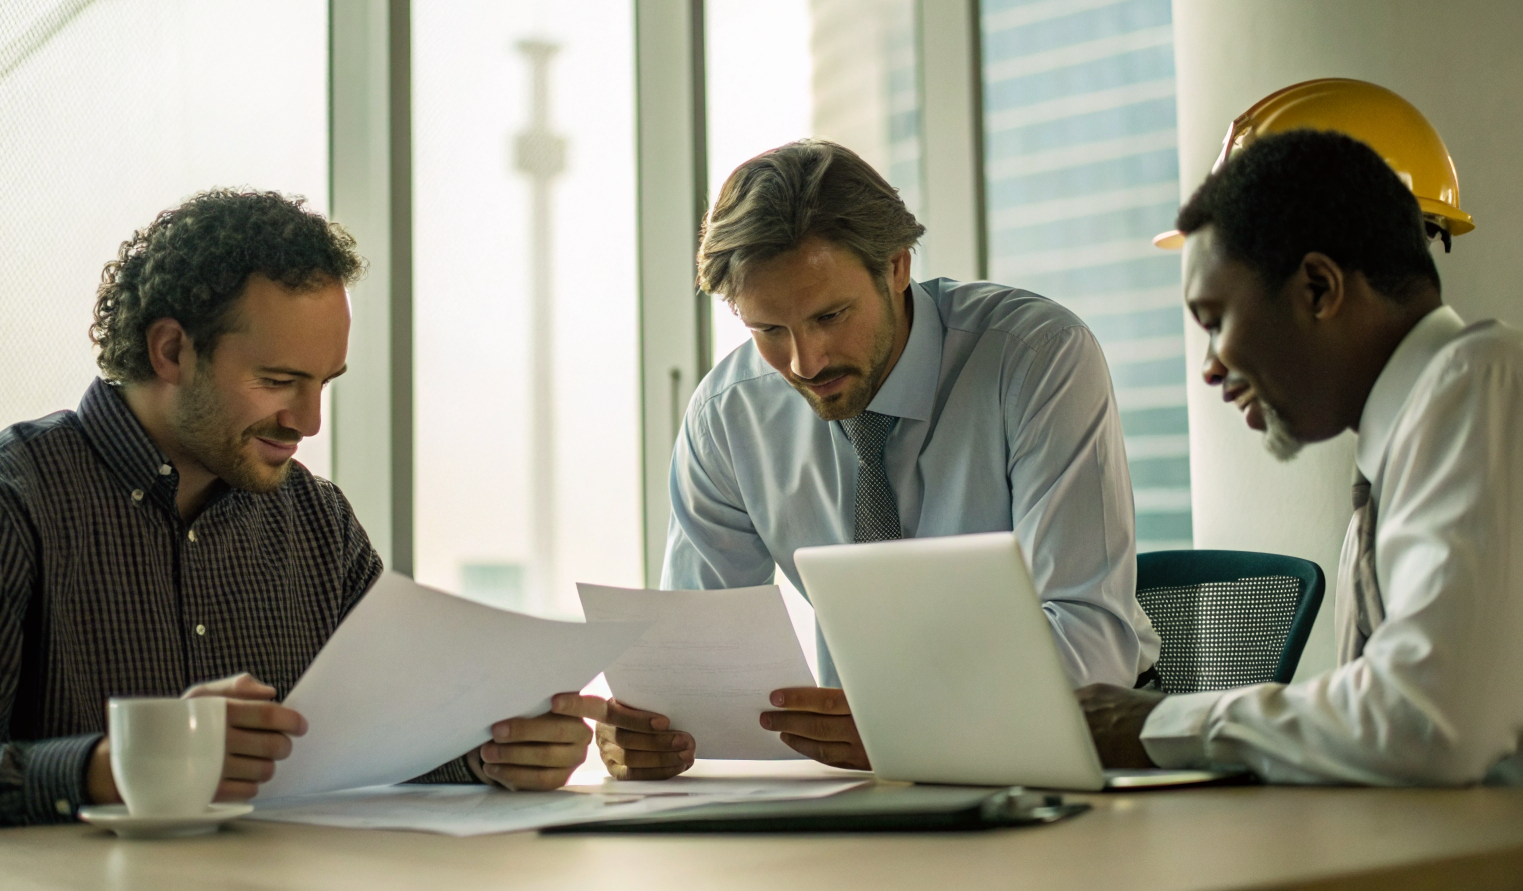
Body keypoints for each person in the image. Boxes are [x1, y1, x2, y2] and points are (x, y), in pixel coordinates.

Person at [0, 190, 601, 826]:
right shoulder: (9, 504)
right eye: (278, 382)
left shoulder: (317, 520)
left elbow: (382, 729)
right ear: (170, 351)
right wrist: (109, 768)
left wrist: (489, 750)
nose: (307, 422)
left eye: (323, 384)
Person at [595, 139, 1159, 779]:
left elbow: (1092, 646)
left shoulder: (1035, 358)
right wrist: (659, 731)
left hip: (1072, 749)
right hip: (861, 774)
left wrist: (915, 723)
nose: (805, 363)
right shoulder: (729, 414)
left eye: (830, 315)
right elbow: (700, 664)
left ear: (896, 266)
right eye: (768, 331)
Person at [1078, 127, 1523, 785]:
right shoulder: (1414, 432)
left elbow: (1426, 723)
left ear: (1318, 288)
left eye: (1215, 320)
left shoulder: (1480, 385)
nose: (1209, 367)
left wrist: (1157, 724)